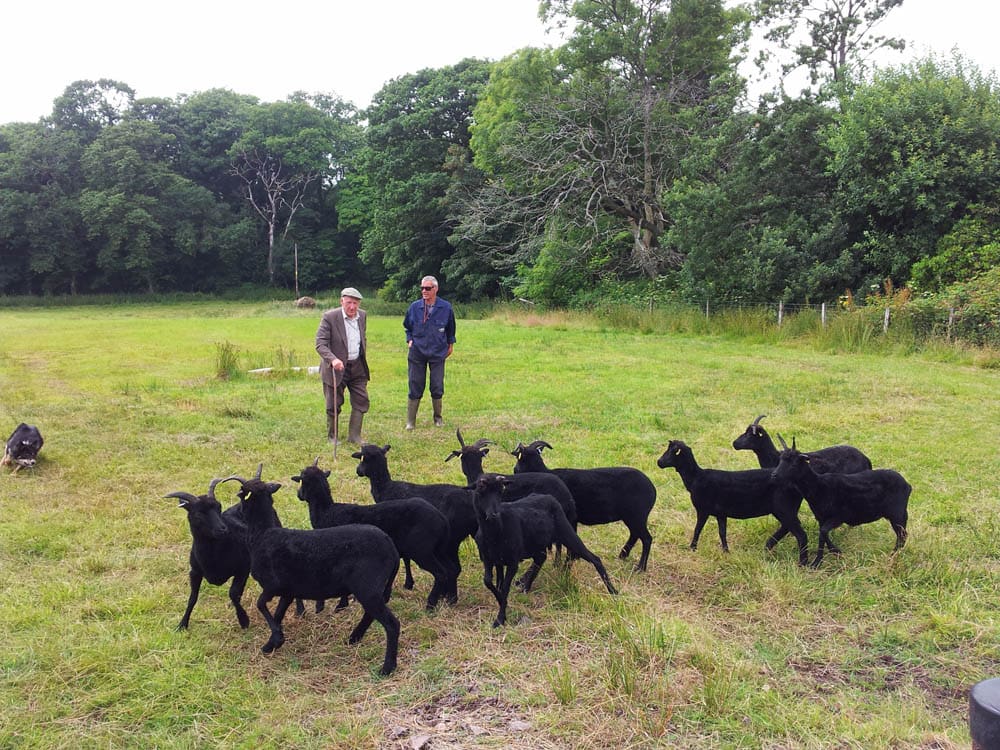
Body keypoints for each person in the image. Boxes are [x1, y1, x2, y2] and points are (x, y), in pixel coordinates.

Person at [316, 287, 370, 444]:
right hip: (335, 368)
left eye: (355, 303)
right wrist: (333, 359)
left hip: (357, 366)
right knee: (333, 403)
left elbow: (362, 339)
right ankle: (332, 436)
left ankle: (354, 436)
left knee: (362, 399)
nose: (352, 307)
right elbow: (320, 343)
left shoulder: (363, 316)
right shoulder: (330, 317)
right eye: (349, 303)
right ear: (342, 302)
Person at [403, 275, 456, 429]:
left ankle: (438, 418)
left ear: (436, 289)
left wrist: (450, 344)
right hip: (417, 351)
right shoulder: (414, 307)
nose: (424, 291)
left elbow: (451, 329)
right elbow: (407, 326)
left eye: (428, 288)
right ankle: (410, 422)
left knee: (437, 385)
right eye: (422, 288)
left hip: (438, 351)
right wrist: (409, 339)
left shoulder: (446, 307)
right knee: (415, 384)